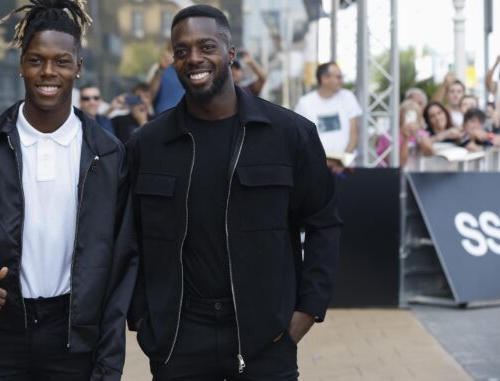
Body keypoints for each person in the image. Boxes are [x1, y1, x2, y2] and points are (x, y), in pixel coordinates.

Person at [126, 5, 341, 380]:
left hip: (265, 337)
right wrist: (143, 317)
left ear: (230, 52)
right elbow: (131, 238)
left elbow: (324, 223)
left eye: (206, 46)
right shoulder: (147, 144)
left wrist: (307, 311)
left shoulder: (289, 134)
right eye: (181, 50)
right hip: (178, 338)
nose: (194, 58)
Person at [0, 1, 137, 380]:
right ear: (21, 64)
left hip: (75, 336)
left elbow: (122, 264)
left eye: (61, 60)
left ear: (78, 66)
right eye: (37, 60)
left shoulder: (107, 155)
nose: (48, 72)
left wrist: (108, 362)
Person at [294, 61, 362, 157]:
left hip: (345, 167)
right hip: (316, 167)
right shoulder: (305, 103)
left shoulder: (348, 97)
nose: (341, 80)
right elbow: (300, 137)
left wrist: (342, 161)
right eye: (338, 77)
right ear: (324, 79)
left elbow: (354, 136)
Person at [375, 99, 434, 168]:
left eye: (414, 115)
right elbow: (400, 163)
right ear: (400, 116)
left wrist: (417, 135)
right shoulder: (388, 136)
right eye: (407, 115)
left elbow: (430, 153)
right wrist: (406, 138)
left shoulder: (421, 134)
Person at [149, 42, 185, 115]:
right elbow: (150, 96)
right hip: (162, 119)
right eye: (172, 50)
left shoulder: (191, 69)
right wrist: (160, 70)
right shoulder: (158, 68)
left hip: (185, 120)